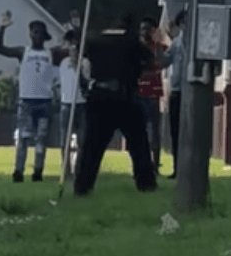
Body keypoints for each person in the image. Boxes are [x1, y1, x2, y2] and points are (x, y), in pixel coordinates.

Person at [73, 14, 158, 196]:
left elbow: (79, 55)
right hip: (125, 97)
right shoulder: (132, 42)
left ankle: (82, 187)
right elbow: (149, 62)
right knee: (139, 145)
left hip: (99, 96)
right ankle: (146, 184)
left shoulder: (95, 42)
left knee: (91, 147)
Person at [0, 11, 70, 183]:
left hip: (44, 101)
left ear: (44, 36)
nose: (35, 35)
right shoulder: (23, 52)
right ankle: (18, 171)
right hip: (26, 101)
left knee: (41, 138)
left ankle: (38, 172)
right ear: (30, 34)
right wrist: (2, 28)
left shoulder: (51, 54)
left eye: (39, 32)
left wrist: (74, 30)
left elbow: (73, 51)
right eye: (33, 31)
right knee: (23, 138)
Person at [56, 29, 90, 178]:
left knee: (82, 139)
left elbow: (85, 83)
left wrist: (77, 67)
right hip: (66, 103)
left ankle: (80, 169)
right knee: (65, 139)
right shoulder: (63, 63)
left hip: (81, 104)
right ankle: (66, 169)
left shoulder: (85, 63)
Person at [137, 16, 168, 176]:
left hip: (154, 94)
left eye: (148, 29)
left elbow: (162, 63)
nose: (144, 32)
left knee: (155, 132)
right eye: (142, 29)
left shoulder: (159, 48)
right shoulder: (136, 48)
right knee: (138, 132)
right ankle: (141, 165)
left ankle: (155, 165)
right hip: (138, 93)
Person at [157, 10, 186, 179]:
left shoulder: (190, 42)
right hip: (176, 91)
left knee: (187, 132)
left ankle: (187, 169)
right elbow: (164, 62)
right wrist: (158, 48)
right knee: (175, 132)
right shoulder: (176, 43)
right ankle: (177, 169)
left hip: (190, 93)